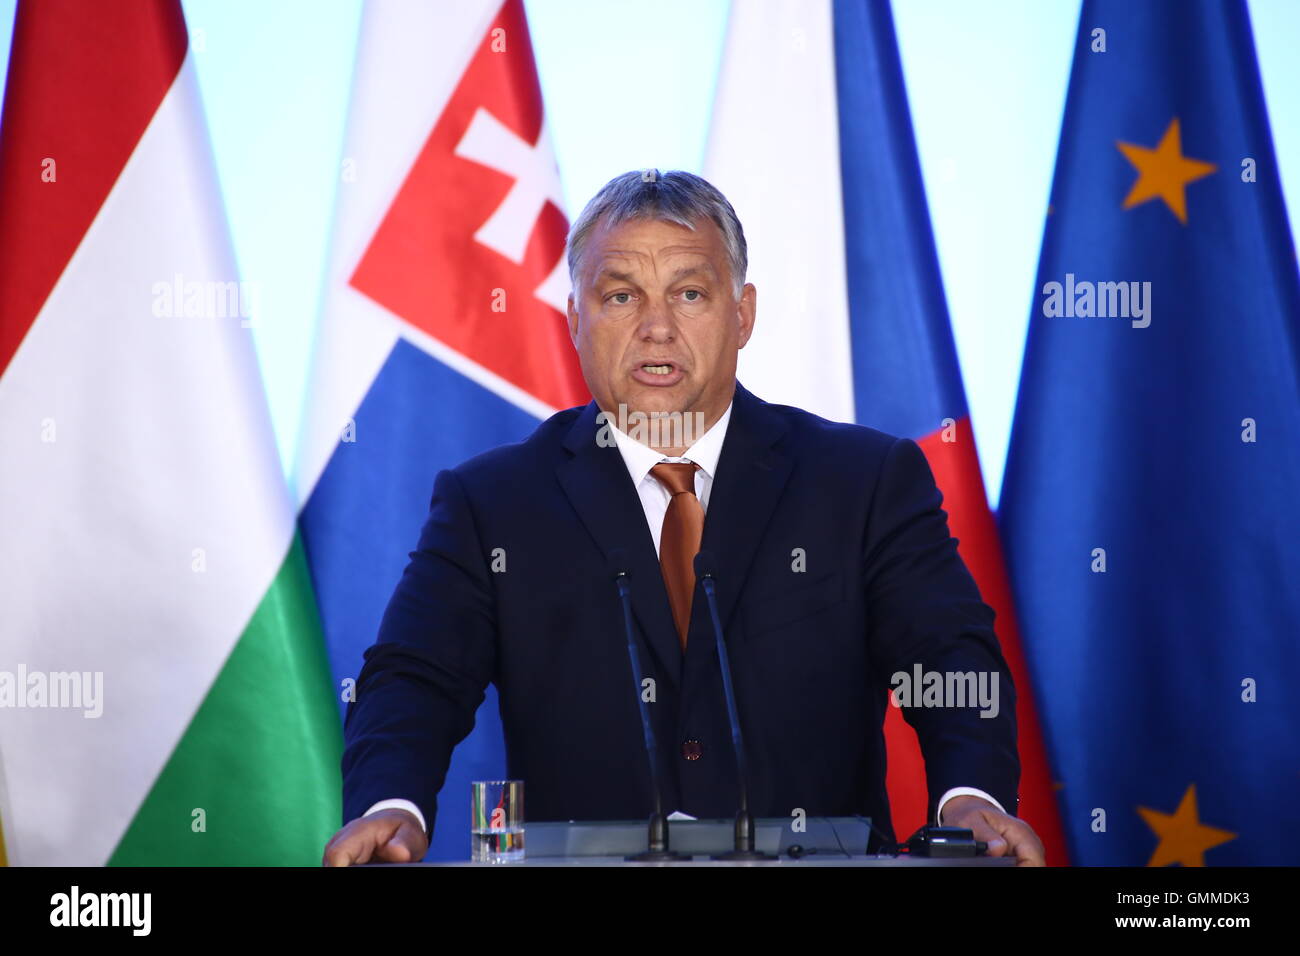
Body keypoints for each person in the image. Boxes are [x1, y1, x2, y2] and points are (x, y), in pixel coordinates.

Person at [322, 169, 1045, 866]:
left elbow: (950, 657)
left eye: (690, 293)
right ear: (576, 320)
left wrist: (969, 795)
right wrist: (393, 806)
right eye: (621, 297)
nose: (657, 328)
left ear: (743, 313)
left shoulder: (861, 483)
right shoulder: (494, 505)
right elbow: (415, 679)